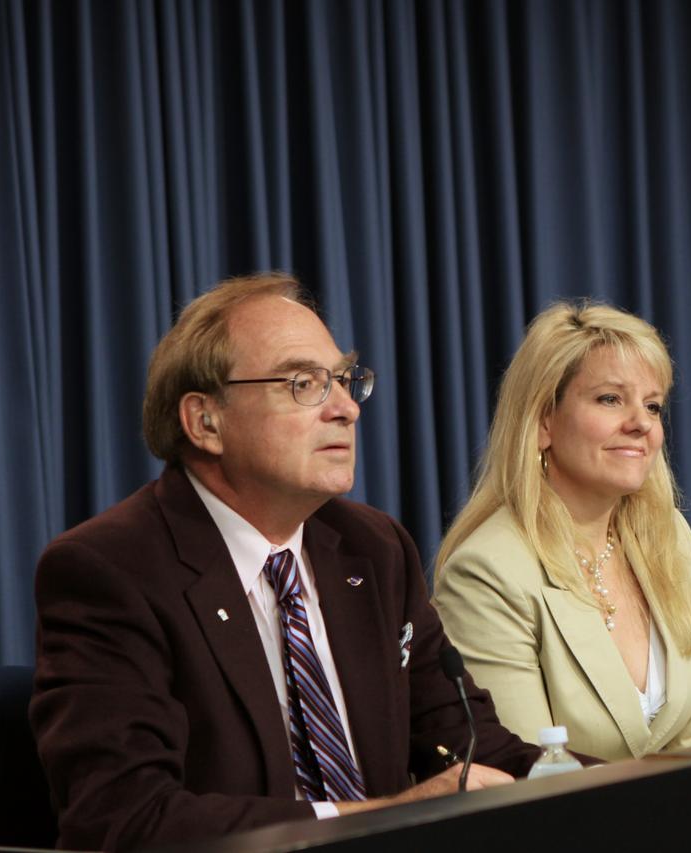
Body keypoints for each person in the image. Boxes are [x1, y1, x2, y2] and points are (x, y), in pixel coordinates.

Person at [29, 274, 541, 851]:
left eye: (345, 382)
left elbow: (473, 746)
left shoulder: (372, 549)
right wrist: (382, 816)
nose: (347, 409)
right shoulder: (111, 569)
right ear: (205, 421)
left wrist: (621, 785)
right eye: (305, 383)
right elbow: (125, 818)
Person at [431, 301, 691, 762]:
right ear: (543, 421)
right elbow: (534, 767)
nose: (641, 423)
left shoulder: (667, 537)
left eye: (653, 405)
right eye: (610, 399)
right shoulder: (488, 570)